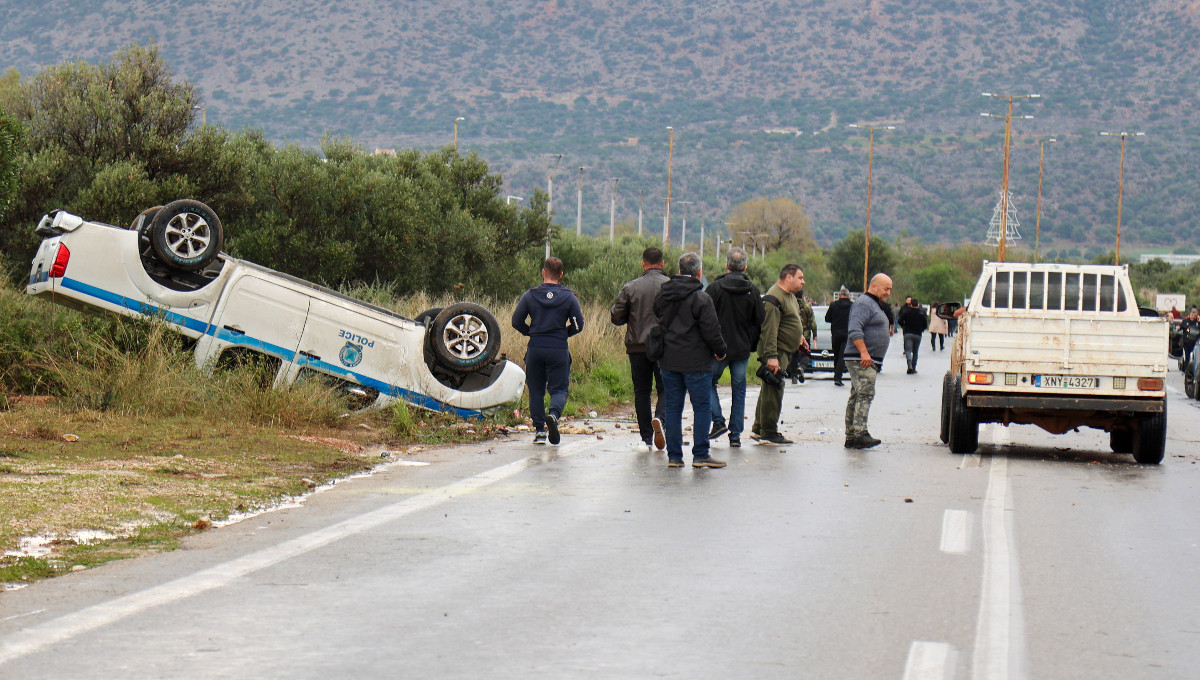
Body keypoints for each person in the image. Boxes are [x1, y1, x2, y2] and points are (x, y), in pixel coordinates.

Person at [654, 252, 729, 468]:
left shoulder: (664, 295)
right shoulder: (701, 298)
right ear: (699, 272)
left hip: (669, 359)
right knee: (702, 407)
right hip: (697, 362)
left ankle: (674, 457)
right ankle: (700, 454)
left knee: (673, 407)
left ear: (679, 271)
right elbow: (712, 330)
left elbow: (657, 314)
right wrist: (720, 351)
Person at [512, 257, 584, 446]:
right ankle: (553, 414)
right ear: (561, 275)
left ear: (543, 272)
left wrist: (531, 332)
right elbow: (578, 324)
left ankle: (539, 432)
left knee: (536, 390)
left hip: (536, 346)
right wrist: (564, 334)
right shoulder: (569, 297)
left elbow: (516, 321)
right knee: (559, 389)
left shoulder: (530, 295)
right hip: (558, 347)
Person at [611, 247, 670, 452]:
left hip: (637, 346)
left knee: (642, 392)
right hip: (664, 347)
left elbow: (616, 317)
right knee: (665, 388)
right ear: (662, 263)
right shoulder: (671, 286)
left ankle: (646, 438)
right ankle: (660, 418)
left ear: (643, 263)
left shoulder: (631, 287)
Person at [705, 248, 764, 448]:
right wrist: (751, 344)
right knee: (739, 390)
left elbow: (705, 317)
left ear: (726, 265)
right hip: (742, 349)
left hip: (718, 349)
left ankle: (718, 420)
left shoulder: (715, 288)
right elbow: (759, 320)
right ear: (745, 267)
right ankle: (735, 434)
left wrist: (710, 344)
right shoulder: (753, 290)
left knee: (707, 381)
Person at [751, 264, 808, 445]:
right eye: (800, 278)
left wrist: (799, 337)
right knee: (774, 391)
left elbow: (789, 321)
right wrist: (771, 356)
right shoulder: (773, 298)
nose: (803, 282)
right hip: (776, 351)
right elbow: (769, 330)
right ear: (788, 277)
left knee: (768, 390)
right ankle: (769, 432)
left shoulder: (789, 296)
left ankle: (759, 428)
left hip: (783, 350)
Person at [844, 273, 893, 449]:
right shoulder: (864, 303)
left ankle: (852, 435)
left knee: (857, 394)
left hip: (866, 358)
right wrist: (864, 352)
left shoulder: (874, 303)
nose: (888, 293)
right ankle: (860, 434)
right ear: (874, 286)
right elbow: (855, 329)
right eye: (886, 289)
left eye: (890, 289)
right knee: (865, 394)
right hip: (862, 358)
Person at [825, 286, 853, 386]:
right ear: (848, 296)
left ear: (839, 296)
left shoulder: (833, 305)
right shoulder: (852, 306)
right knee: (842, 356)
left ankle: (836, 375)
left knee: (836, 355)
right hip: (847, 334)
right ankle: (838, 377)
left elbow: (827, 319)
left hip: (835, 334)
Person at [787, 295, 816, 384]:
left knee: (794, 355)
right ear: (803, 296)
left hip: (793, 334)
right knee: (806, 354)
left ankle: (794, 375)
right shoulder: (807, 307)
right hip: (805, 334)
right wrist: (814, 334)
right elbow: (812, 322)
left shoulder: (791, 306)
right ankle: (802, 367)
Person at [896, 296, 928, 374]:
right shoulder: (921, 313)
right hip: (918, 334)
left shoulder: (907, 312)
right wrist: (921, 329)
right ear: (918, 304)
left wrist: (904, 326)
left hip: (908, 333)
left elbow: (899, 320)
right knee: (915, 352)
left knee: (908, 350)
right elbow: (925, 325)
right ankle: (914, 367)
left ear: (911, 304)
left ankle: (909, 365)